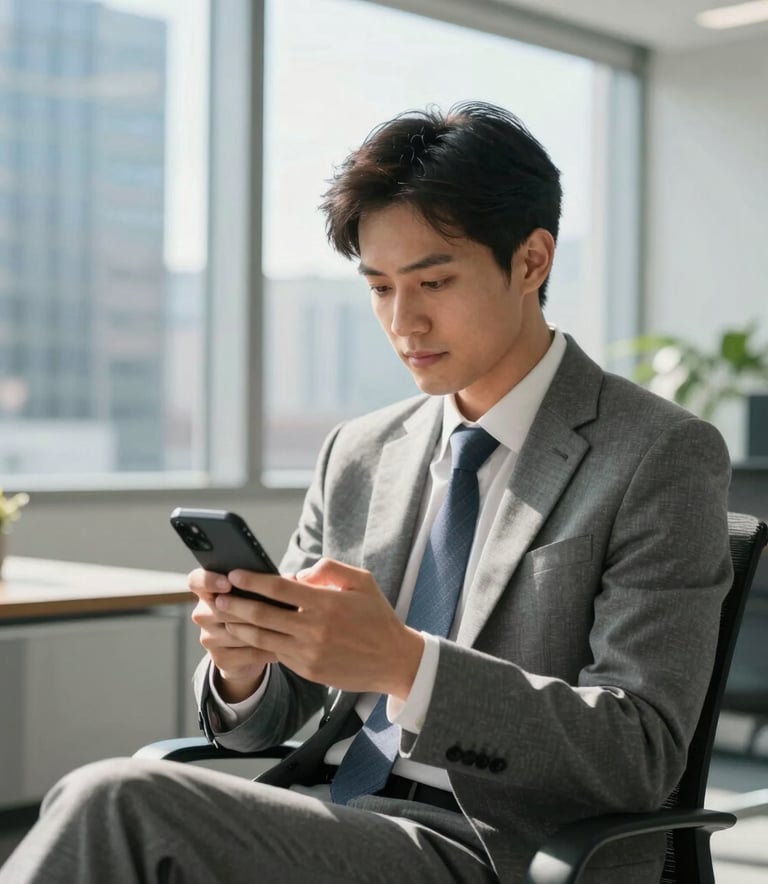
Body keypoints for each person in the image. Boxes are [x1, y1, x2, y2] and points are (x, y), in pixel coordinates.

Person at [0, 101, 732, 884]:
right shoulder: (360, 451)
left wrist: (410, 667)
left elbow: (643, 753)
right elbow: (266, 724)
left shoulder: (657, 453)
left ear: (531, 261)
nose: (402, 320)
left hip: (498, 849)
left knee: (116, 803)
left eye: (434, 281)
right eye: (378, 287)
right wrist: (245, 666)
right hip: (331, 820)